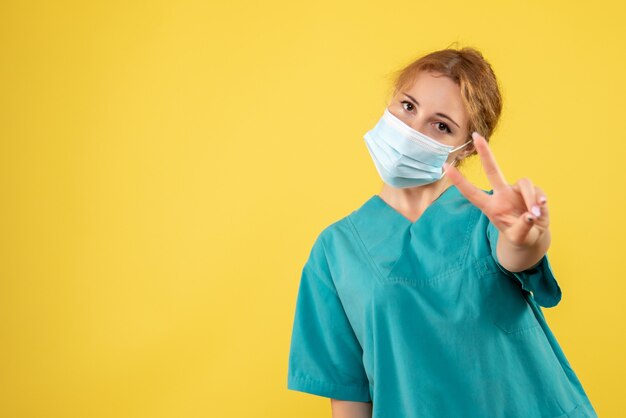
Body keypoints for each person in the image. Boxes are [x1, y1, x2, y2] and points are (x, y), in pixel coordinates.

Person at [286, 47, 598, 418]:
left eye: (441, 125)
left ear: (465, 147)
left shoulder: (489, 220)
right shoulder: (335, 251)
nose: (412, 129)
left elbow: (518, 252)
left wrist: (526, 236)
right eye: (408, 106)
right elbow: (350, 392)